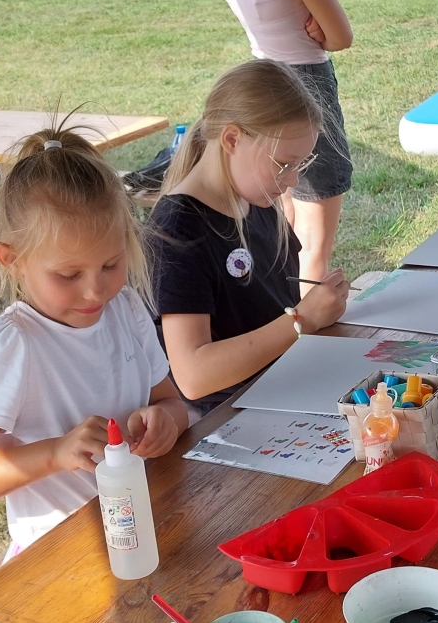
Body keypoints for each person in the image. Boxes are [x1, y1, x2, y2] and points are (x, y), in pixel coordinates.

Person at [0, 126, 193, 556]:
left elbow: (170, 402)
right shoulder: (10, 347)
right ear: (12, 260)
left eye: (111, 264)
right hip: (62, 555)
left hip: (146, 526)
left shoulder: (125, 309)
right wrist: (54, 453)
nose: (95, 290)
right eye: (69, 275)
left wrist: (166, 421)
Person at [149, 59, 350, 406]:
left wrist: (316, 310)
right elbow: (193, 376)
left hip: (285, 386)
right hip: (229, 414)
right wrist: (303, 320)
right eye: (283, 164)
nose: (292, 180)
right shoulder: (177, 231)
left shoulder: (256, 197)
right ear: (232, 139)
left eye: (300, 164)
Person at [221, 0, 354, 284]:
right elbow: (341, 36)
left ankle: (282, 311)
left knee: (285, 226)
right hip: (307, 89)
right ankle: (309, 322)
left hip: (266, 86)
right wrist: (321, 32)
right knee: (314, 241)